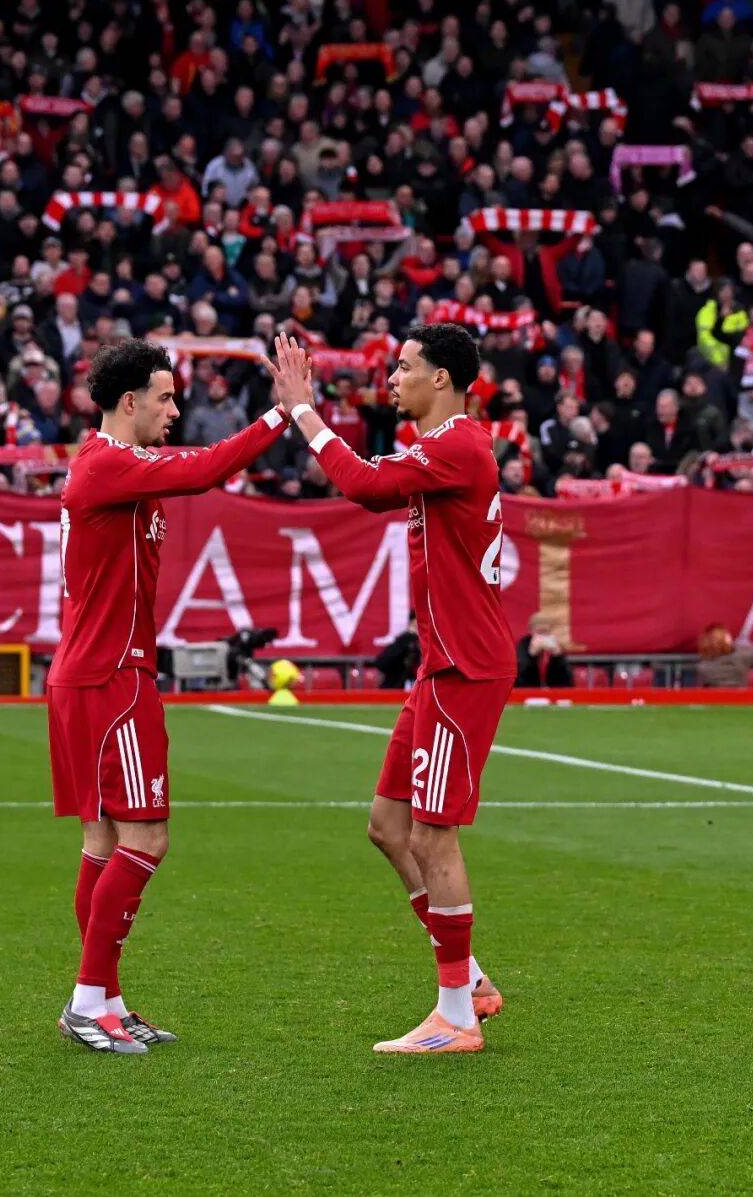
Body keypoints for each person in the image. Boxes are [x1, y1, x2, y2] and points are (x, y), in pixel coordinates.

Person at [265, 326, 516, 1055]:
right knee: (387, 824)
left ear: (441, 379)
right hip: (442, 663)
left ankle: (456, 1015)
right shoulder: (442, 447)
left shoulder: (458, 445)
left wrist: (303, 409)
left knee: (433, 832)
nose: (392, 377)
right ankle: (469, 980)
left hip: (464, 666)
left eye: (404, 367)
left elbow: (366, 486)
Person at [47, 338, 290, 1053]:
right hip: (111, 677)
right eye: (165, 397)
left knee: (103, 842)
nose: (175, 410)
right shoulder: (108, 464)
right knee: (146, 837)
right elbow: (206, 468)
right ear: (129, 402)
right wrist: (283, 414)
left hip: (94, 672)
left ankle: (104, 1000)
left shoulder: (114, 465)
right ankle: (88, 1000)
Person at [515, 612, 573, 687]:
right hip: (529, 690)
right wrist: (531, 656)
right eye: (539, 632)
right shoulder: (524, 645)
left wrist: (557, 657)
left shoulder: (556, 645)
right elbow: (520, 681)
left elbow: (567, 683)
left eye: (545, 632)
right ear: (531, 630)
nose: (542, 636)